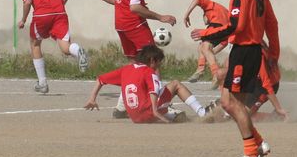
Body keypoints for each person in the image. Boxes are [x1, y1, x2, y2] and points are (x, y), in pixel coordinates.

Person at [194, 0, 279, 157]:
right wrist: (274, 52)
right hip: (251, 50)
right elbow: (272, 22)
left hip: (244, 51)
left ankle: (252, 154)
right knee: (228, 102)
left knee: (233, 104)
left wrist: (206, 33)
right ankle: (258, 143)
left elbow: (235, 25)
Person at [101, 0, 177, 117]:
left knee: (133, 65)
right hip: (134, 24)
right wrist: (160, 17)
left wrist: (123, 3)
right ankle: (160, 105)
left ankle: (121, 107)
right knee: (153, 63)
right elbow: (135, 7)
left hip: (120, 24)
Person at [14, 0, 89, 94]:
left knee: (35, 44)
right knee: (65, 48)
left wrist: (23, 20)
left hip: (42, 15)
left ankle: (42, 83)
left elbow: (27, 1)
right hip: (60, 12)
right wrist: (56, 8)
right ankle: (78, 51)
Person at [83, 45, 217, 124]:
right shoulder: (149, 71)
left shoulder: (125, 70)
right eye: (158, 62)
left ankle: (171, 115)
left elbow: (100, 80)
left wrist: (92, 99)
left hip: (134, 117)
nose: (159, 66)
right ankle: (202, 112)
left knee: (172, 111)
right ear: (152, 60)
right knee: (176, 84)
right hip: (148, 113)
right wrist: (155, 111)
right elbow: (154, 91)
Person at [182, 0, 229, 86]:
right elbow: (222, 44)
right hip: (225, 31)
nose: (205, 22)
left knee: (205, 46)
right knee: (202, 47)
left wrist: (186, 15)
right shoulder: (224, 13)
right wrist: (208, 56)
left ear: (205, 15)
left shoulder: (210, 7)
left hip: (217, 26)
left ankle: (215, 74)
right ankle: (200, 69)